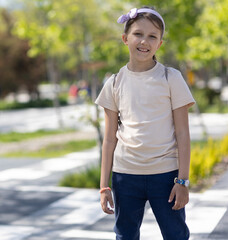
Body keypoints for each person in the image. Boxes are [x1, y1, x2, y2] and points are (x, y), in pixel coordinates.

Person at [95, 7, 195, 240]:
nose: (144, 41)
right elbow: (109, 140)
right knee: (125, 236)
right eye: (138, 34)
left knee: (176, 235)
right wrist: (104, 186)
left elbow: (183, 134)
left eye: (152, 36)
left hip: (166, 174)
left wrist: (182, 180)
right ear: (125, 39)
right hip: (125, 175)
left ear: (160, 43)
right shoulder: (114, 83)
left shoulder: (171, 78)